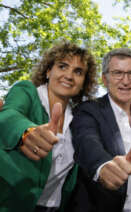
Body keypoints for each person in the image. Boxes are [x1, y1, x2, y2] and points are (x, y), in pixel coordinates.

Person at [0, 40, 98, 212]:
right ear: (48, 71)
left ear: (84, 82)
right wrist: (27, 132)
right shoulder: (27, 91)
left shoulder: (78, 120)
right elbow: (9, 115)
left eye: (78, 71)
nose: (69, 75)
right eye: (62, 66)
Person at [68, 48, 131, 211]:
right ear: (105, 79)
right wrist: (103, 166)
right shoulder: (87, 110)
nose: (125, 81)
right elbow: (87, 142)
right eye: (117, 73)